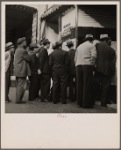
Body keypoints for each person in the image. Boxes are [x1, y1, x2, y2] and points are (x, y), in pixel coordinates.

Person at [75, 34, 97, 108]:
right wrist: (92, 65)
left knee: (79, 84)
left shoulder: (79, 46)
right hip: (87, 66)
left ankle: (79, 102)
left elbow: (75, 58)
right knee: (87, 84)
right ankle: (86, 103)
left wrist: (77, 64)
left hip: (78, 66)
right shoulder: (91, 45)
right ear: (91, 39)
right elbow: (94, 56)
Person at [94, 34, 116, 107]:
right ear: (107, 40)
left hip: (97, 70)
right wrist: (112, 73)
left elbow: (94, 57)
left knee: (95, 85)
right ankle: (103, 103)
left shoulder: (96, 46)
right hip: (107, 71)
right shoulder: (112, 50)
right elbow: (113, 63)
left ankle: (93, 101)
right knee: (105, 87)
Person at [14, 37, 31, 104]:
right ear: (21, 43)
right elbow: (29, 59)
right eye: (25, 42)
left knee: (19, 85)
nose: (26, 43)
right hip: (21, 71)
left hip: (18, 70)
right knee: (21, 86)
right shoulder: (23, 50)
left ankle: (18, 99)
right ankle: (18, 100)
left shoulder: (17, 49)